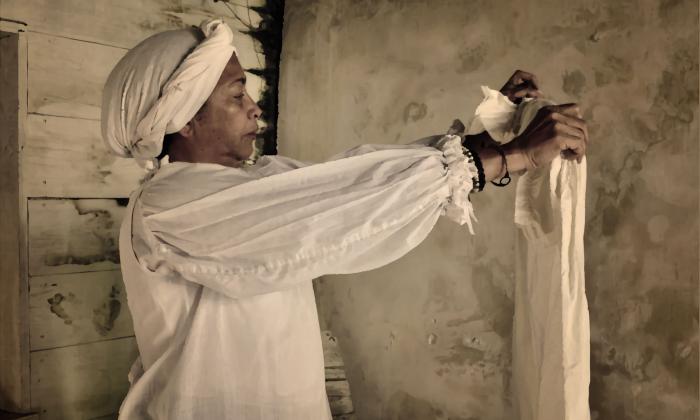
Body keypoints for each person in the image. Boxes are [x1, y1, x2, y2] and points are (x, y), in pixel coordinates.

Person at [101, 19, 588, 420]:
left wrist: (488, 137)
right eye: (235, 96)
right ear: (184, 119)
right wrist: (507, 159)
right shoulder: (167, 203)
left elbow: (354, 179)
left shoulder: (259, 181)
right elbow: (338, 209)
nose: (253, 108)